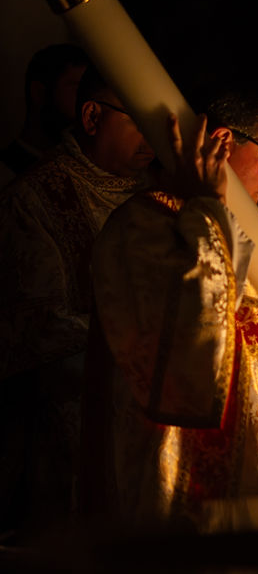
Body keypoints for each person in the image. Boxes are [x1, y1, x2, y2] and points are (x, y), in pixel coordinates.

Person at [84, 89, 258, 532]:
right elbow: (191, 350)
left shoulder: (250, 235)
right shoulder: (145, 224)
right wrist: (206, 208)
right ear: (224, 142)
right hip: (191, 492)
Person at [0, 65, 154, 539]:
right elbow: (35, 327)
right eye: (138, 120)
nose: (153, 138)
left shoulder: (158, 199)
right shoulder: (35, 199)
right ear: (92, 116)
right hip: (64, 426)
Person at [0, 44, 90, 188]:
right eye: (79, 91)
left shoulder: (82, 175)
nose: (88, 107)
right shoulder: (6, 178)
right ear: (39, 93)